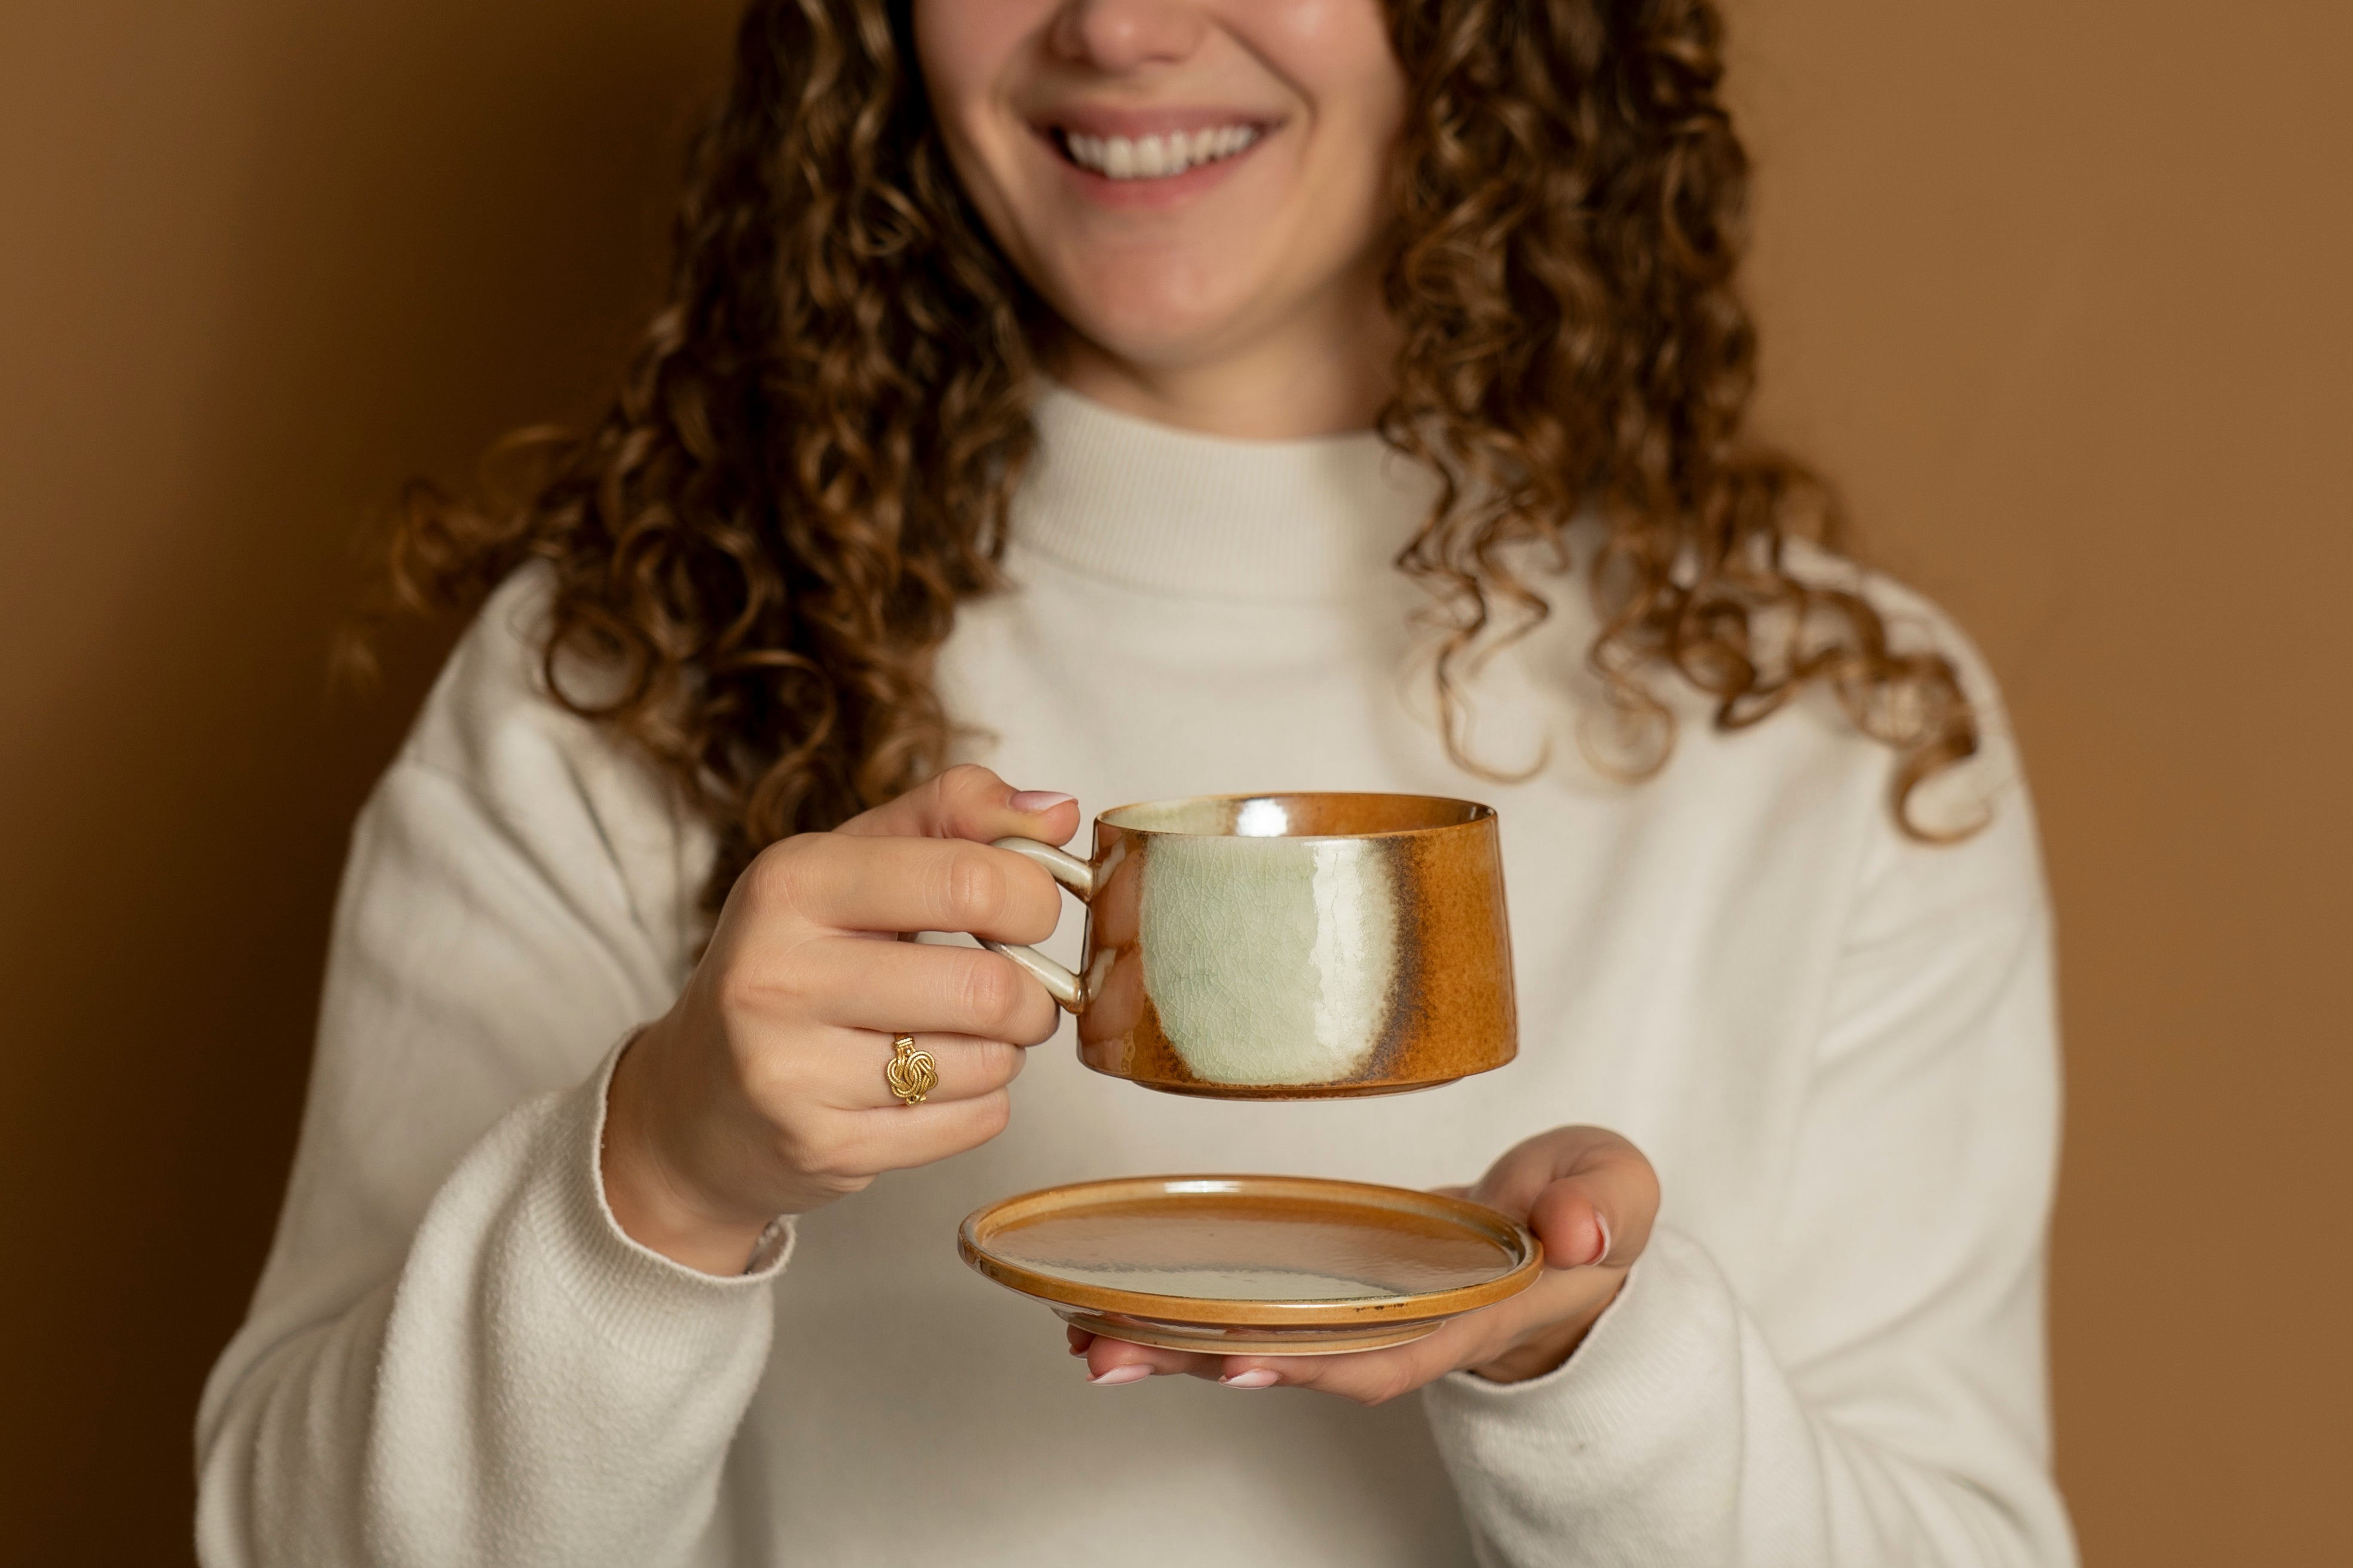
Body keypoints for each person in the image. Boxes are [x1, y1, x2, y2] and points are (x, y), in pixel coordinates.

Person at [197, 2, 2075, 1564]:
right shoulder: (615, 676)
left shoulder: (1833, 738)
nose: (1121, 23)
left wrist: (1593, 1365)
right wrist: (661, 1164)